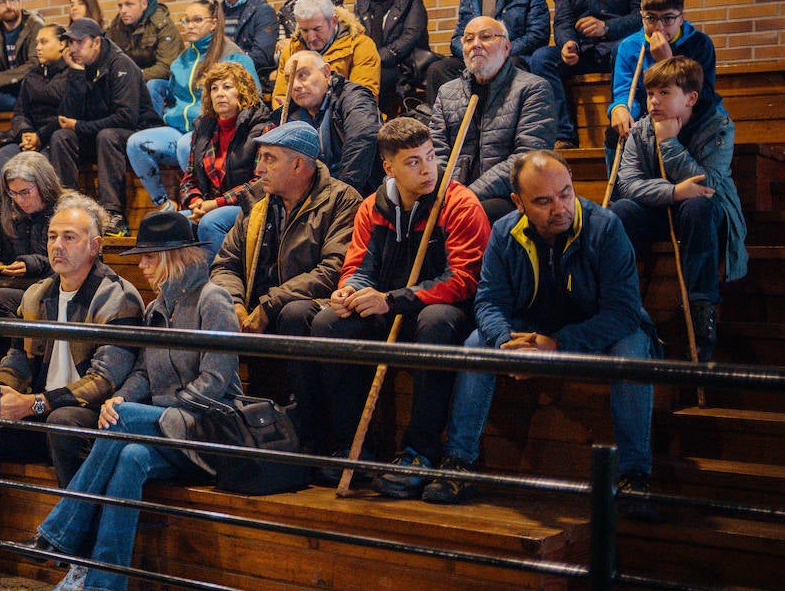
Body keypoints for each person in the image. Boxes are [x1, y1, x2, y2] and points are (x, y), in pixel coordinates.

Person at [30, 210, 242, 591]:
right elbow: (145, 372)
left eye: (148, 257)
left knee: (122, 420)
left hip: (205, 430)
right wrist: (123, 398)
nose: (140, 264)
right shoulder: (157, 306)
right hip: (162, 434)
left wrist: (142, 412)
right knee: (127, 457)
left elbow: (215, 382)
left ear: (172, 256)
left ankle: (60, 530)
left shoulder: (212, 299)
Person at [423, 151, 661, 516]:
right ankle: (458, 463)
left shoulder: (606, 227)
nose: (560, 208)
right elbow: (489, 302)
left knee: (632, 345)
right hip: (532, 331)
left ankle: (635, 476)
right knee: (476, 343)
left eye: (565, 193)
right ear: (517, 203)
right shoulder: (504, 233)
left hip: (597, 331)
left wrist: (559, 344)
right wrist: (506, 342)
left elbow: (624, 311)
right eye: (543, 201)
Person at [0, 193, 144, 581]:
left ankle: (82, 560)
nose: (57, 246)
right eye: (52, 237)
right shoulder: (37, 294)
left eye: (69, 237)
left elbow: (103, 381)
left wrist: (32, 404)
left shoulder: (118, 297)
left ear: (95, 246)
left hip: (81, 416)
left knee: (65, 421)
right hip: (37, 412)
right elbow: (17, 358)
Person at [290, 118, 490, 484]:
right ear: (389, 167)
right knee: (328, 323)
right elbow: (359, 265)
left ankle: (420, 453)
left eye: (430, 156)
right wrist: (349, 289)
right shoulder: (373, 207)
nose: (427, 168)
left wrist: (391, 299)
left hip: (445, 310)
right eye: (413, 162)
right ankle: (352, 447)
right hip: (390, 305)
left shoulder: (459, 202)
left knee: (435, 321)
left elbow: (464, 279)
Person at [611, 57, 745, 361]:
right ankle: (622, 303)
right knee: (621, 211)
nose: (654, 101)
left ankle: (701, 311)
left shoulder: (717, 126)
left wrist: (669, 143)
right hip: (660, 207)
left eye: (665, 93)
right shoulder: (641, 129)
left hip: (706, 213)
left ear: (691, 98)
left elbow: (708, 183)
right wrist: (673, 192)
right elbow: (629, 183)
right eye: (650, 94)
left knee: (696, 206)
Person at [209, 122, 361, 390]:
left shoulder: (341, 200)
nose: (258, 169)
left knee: (293, 313)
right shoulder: (258, 202)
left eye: (270, 159)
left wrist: (270, 305)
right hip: (258, 312)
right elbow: (226, 264)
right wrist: (234, 303)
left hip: (309, 308)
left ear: (298, 165)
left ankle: (301, 416)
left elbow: (333, 270)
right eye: (260, 158)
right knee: (210, 305)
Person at [527, 0, 657, 147]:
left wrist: (605, 27)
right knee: (542, 58)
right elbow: (563, 21)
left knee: (625, 49)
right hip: (584, 51)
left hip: (619, 46)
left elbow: (644, 17)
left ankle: (628, 126)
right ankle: (563, 135)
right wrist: (568, 43)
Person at [129, 0, 258, 213]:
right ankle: (165, 204)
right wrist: (168, 113)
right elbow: (171, 96)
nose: (190, 25)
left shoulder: (233, 55)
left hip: (212, 130)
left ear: (214, 23)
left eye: (197, 20)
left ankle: (202, 203)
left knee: (185, 145)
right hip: (178, 128)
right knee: (136, 143)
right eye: (186, 20)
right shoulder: (180, 61)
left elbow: (252, 96)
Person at [430, 17, 555, 223]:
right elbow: (437, 152)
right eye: (469, 39)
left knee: (471, 217)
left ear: (506, 47)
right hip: (454, 196)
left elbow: (526, 158)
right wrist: (446, 192)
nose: (476, 44)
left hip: (510, 196)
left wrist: (468, 196)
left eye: (486, 37)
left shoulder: (533, 89)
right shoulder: (447, 92)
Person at [49, 18, 162, 237]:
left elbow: (126, 117)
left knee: (107, 136)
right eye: (70, 43)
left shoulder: (121, 65)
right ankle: (67, 206)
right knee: (61, 136)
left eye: (79, 43)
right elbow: (67, 116)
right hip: (98, 133)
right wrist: (76, 73)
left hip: (136, 134)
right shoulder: (79, 66)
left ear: (96, 42)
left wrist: (80, 126)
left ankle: (113, 215)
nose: (73, 49)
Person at [606, 0, 718, 172]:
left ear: (681, 18)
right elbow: (624, 91)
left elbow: (702, 96)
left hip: (690, 116)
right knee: (615, 131)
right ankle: (623, 194)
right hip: (648, 115)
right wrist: (620, 108)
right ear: (642, 18)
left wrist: (667, 63)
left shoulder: (700, 44)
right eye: (651, 18)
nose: (658, 27)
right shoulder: (628, 47)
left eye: (668, 19)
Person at [424, 0, 549, 103]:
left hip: (511, 57)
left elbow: (538, 34)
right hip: (476, 58)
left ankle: (505, 124)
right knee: (438, 69)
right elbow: (457, 38)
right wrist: (474, 54)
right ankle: (446, 125)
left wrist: (499, 52)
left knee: (513, 64)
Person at [175, 61, 274, 254]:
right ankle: (186, 284)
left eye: (227, 87)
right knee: (174, 224)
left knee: (210, 222)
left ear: (242, 92)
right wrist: (196, 202)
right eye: (214, 88)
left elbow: (261, 182)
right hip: (207, 206)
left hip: (250, 206)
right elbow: (189, 178)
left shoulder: (262, 128)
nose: (220, 93)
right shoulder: (203, 128)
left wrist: (216, 204)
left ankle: (222, 282)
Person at [0, 151, 62, 336]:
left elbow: (68, 262)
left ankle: (17, 358)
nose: (18, 200)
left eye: (25, 192)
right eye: (13, 193)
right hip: (19, 283)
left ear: (44, 185)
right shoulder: (8, 212)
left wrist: (31, 264)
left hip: (52, 285)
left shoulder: (64, 212)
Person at [282, 49, 383, 197]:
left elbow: (362, 140)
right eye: (289, 79)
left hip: (356, 194)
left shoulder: (354, 97)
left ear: (326, 72)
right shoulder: (290, 116)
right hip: (311, 195)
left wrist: (341, 198)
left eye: (303, 75)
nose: (296, 85)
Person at [353, 0, 436, 117]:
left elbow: (411, 35)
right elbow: (358, 36)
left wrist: (382, 55)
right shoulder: (362, 5)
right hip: (374, 62)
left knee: (379, 76)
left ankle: (375, 119)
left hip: (405, 63)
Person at [0, 24, 73, 186]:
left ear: (62, 44)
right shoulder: (32, 75)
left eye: (44, 42)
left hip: (54, 139)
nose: (38, 48)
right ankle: (6, 209)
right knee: (2, 157)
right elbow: (20, 112)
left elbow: (67, 113)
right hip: (30, 139)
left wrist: (39, 137)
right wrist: (25, 132)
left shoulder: (73, 73)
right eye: (37, 43)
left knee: (36, 165)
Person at [271, 0, 381, 105]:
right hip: (300, 119)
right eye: (304, 30)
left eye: (317, 29)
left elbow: (362, 98)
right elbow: (281, 96)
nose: (311, 37)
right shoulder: (290, 51)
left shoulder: (360, 46)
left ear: (333, 21)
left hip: (348, 118)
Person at [105, 0, 181, 88]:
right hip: (128, 80)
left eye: (129, 4)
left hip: (159, 82)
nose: (123, 10)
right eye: (120, 5)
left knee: (152, 85)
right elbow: (107, 61)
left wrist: (134, 75)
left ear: (144, 4)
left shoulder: (162, 25)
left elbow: (167, 66)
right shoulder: (116, 27)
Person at [217, 0, 278, 83]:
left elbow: (262, 56)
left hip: (247, 80)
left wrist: (224, 68)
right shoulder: (214, 14)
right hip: (216, 78)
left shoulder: (263, 11)